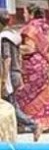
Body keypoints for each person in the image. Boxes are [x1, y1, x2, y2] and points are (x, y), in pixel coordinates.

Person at [17, 6, 49, 134]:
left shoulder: (31, 29)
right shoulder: (43, 26)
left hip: (33, 67)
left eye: (25, 12)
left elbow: (30, 48)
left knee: (23, 93)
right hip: (43, 64)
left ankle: (29, 122)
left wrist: (14, 47)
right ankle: (48, 122)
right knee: (44, 92)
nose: (23, 14)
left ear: (32, 14)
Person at [0, 11, 41, 140]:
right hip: (16, 73)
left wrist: (3, 80)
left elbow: (7, 59)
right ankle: (20, 127)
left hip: (10, 76)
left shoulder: (4, 38)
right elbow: (18, 56)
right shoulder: (14, 35)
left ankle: (33, 125)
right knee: (12, 104)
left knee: (11, 106)